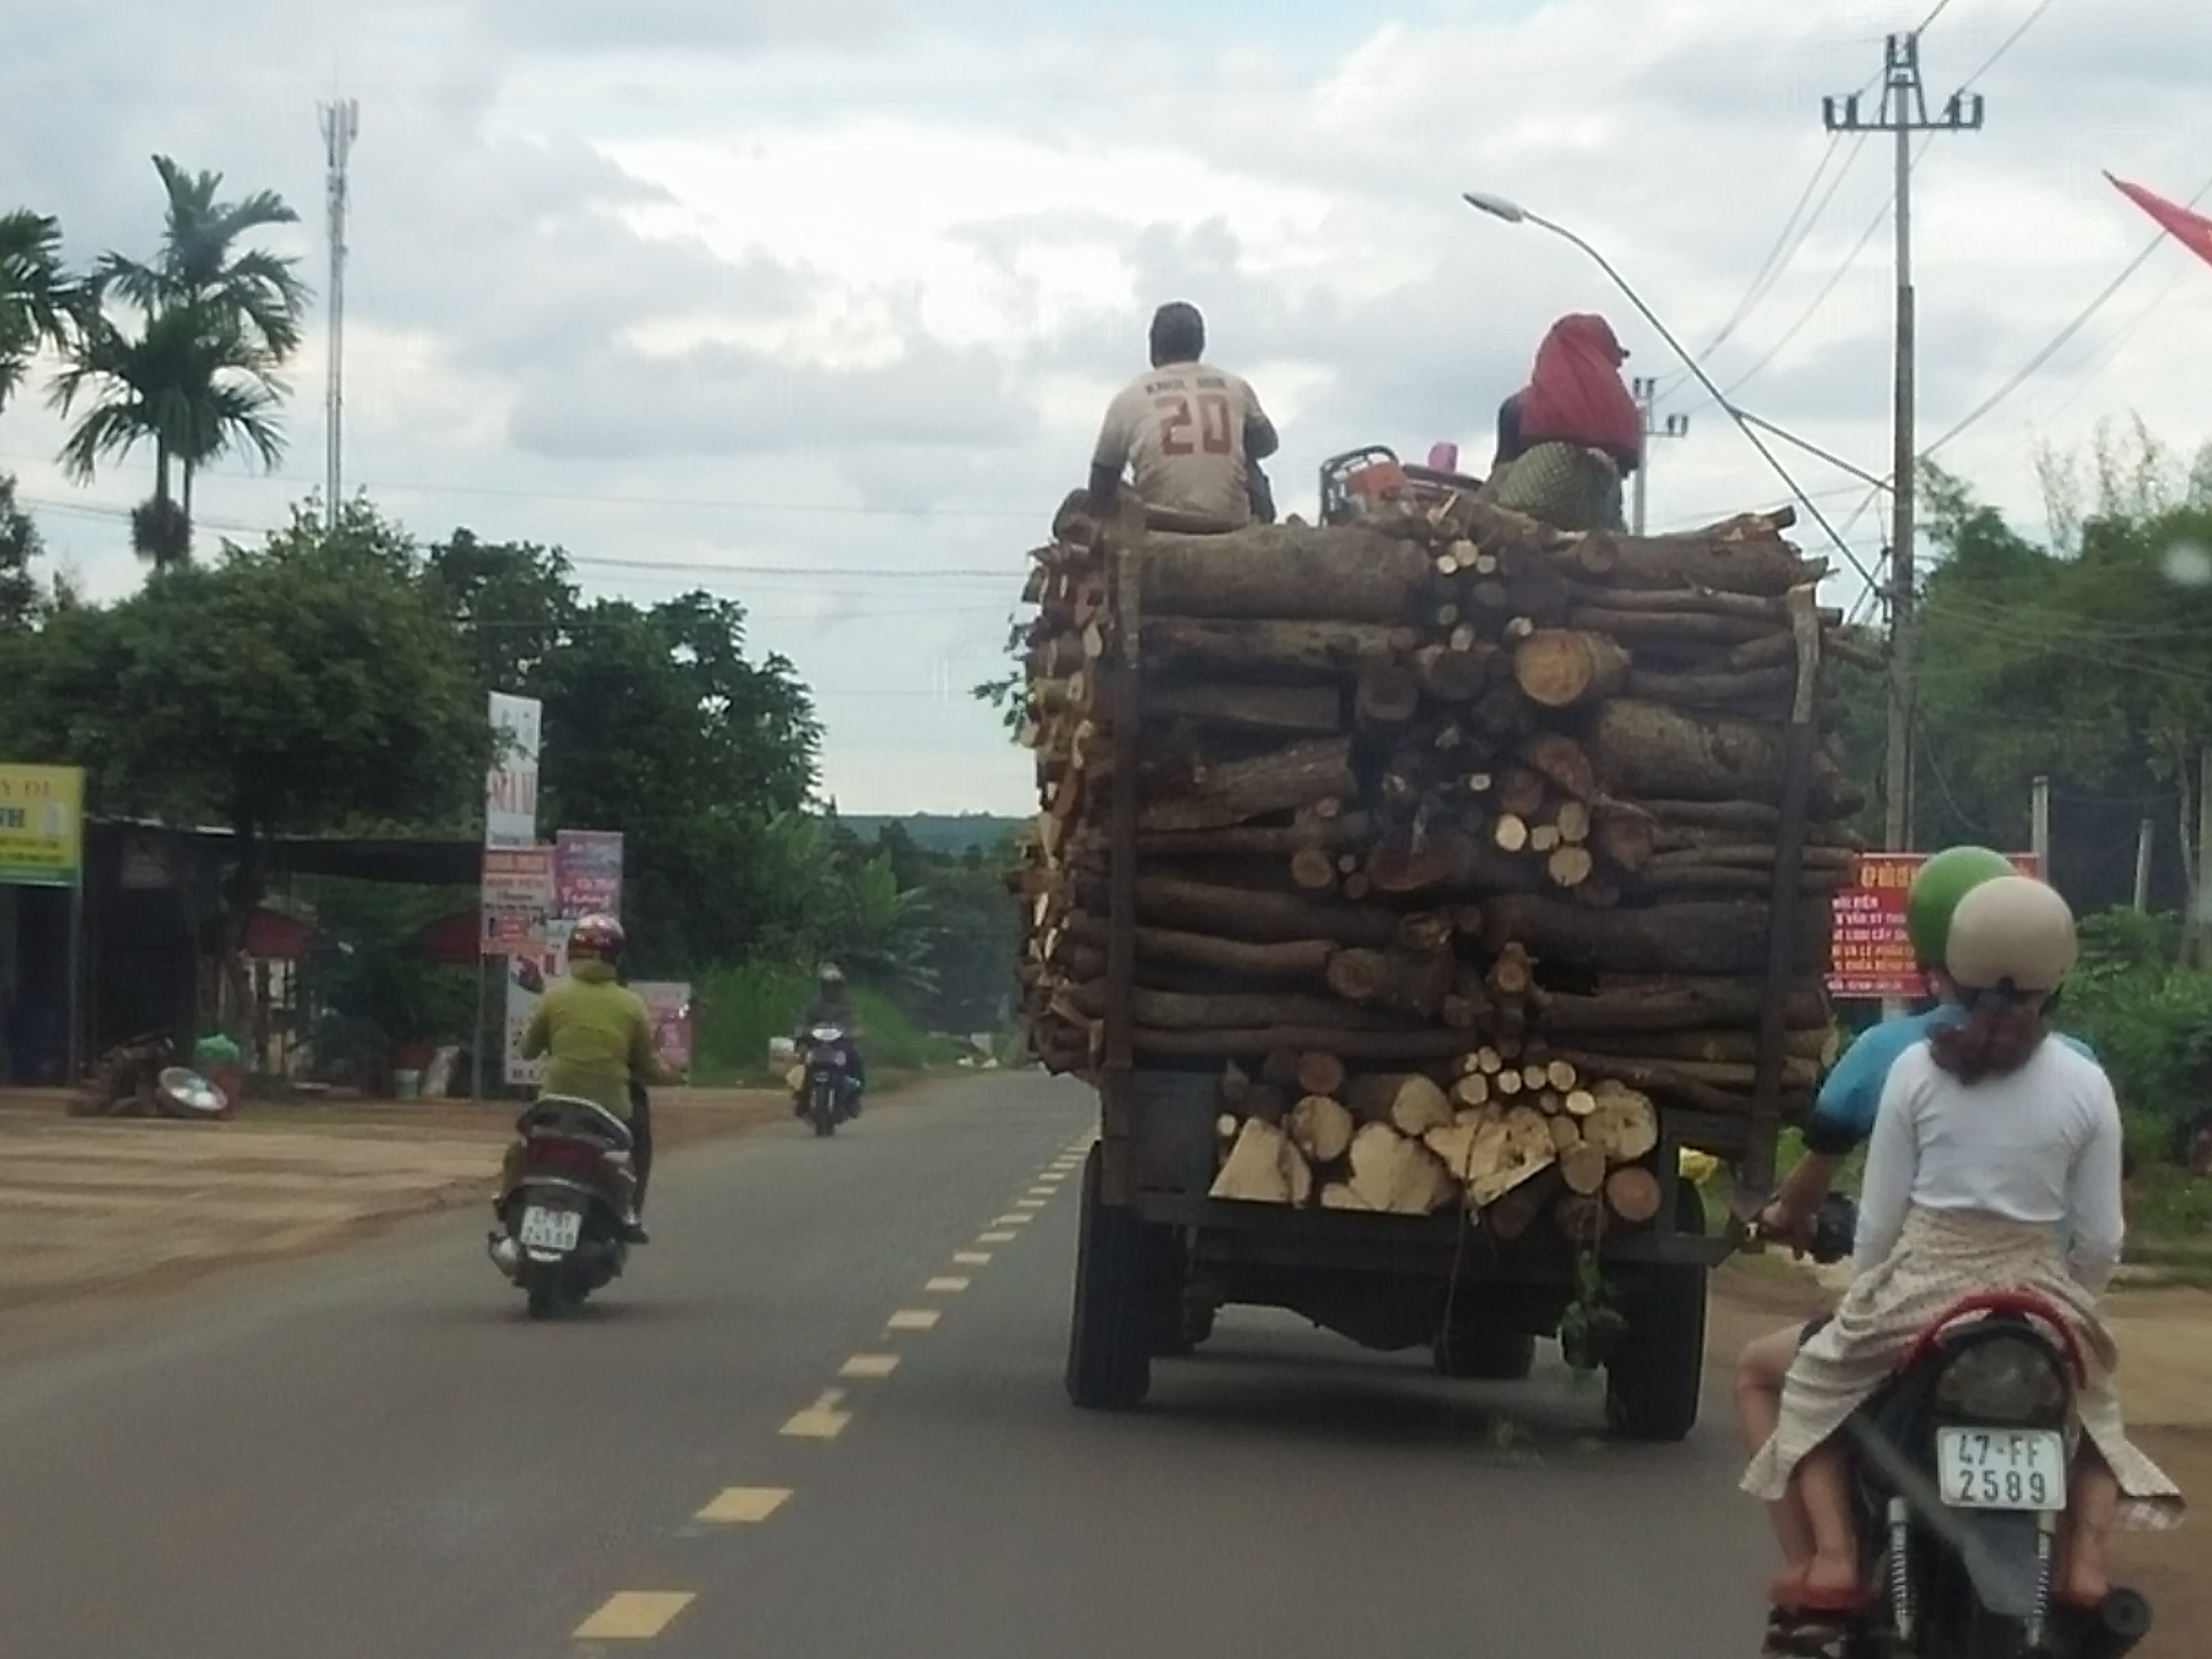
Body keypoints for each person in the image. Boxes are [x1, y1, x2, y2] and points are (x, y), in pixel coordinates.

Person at [1744, 875, 2183, 1647]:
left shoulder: (1913, 1068)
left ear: (1948, 965)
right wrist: (2071, 1307)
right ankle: (2082, 1561)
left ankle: (1837, 1558)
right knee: (2091, 1409)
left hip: (1923, 1283)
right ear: (2058, 975)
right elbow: (2101, 1239)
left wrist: (1868, 1293)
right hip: (2040, 1291)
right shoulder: (2085, 1080)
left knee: (1803, 1380)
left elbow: (1876, 1225)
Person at [518, 914, 677, 1244]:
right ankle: (630, 1212)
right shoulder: (631, 1005)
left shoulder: (554, 998)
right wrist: (674, 1076)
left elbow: (528, 1051)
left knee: (524, 1146)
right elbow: (647, 1066)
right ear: (616, 957)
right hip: (610, 1109)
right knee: (640, 1142)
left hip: (554, 1103)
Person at [1089, 301, 1279, 529]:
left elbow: (1101, 484)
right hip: (1231, 523)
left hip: (1159, 522)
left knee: (1110, 485)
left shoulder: (1128, 398)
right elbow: (1267, 444)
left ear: (1153, 347)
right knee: (1246, 456)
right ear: (1201, 344)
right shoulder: (1235, 387)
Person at [1484, 314, 1642, 531]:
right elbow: (1620, 476)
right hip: (1598, 535)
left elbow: (1500, 475)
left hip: (1522, 530)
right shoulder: (1625, 415)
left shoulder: (1519, 407)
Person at [794, 963, 865, 1118]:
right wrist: (803, 1032)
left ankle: (853, 1098)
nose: (832, 990)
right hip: (817, 1044)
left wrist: (855, 1032)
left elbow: (855, 1023)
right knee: (802, 1061)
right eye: (828, 986)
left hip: (840, 1044)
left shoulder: (846, 1006)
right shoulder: (814, 1006)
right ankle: (801, 1096)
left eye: (835, 986)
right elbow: (805, 1022)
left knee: (856, 1060)